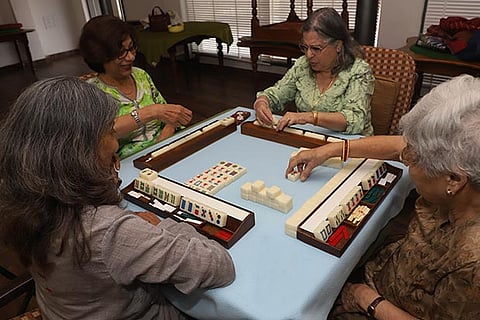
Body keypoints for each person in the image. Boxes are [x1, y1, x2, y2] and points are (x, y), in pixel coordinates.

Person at [0, 77, 235, 319]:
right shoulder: (109, 231)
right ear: (82, 151)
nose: (116, 144)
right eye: (111, 132)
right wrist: (162, 225)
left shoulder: (19, 196)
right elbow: (219, 266)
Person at [286, 74, 480, 319]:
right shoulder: (460, 166)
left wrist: (366, 299)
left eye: (413, 158)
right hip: (388, 266)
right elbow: (398, 144)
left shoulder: (472, 262)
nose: (405, 157)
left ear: (453, 180)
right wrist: (333, 149)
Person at [79, 15, 193, 159]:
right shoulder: (90, 93)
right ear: (99, 55)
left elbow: (169, 118)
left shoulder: (140, 75)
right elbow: (101, 138)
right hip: (128, 163)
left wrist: (160, 146)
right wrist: (151, 112)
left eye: (131, 48)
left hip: (164, 148)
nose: (131, 57)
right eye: (121, 53)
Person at [253, 7, 375, 136]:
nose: (309, 55)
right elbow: (277, 94)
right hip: (308, 140)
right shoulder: (302, 65)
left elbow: (355, 120)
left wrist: (309, 117)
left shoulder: (359, 71)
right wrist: (262, 101)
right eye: (305, 47)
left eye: (316, 48)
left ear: (338, 46)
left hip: (349, 145)